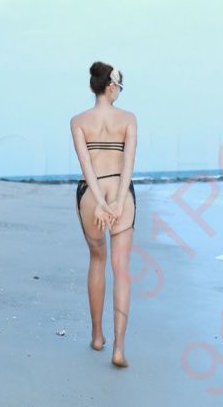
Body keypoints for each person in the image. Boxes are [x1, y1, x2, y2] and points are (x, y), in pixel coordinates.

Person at [70, 61, 137, 368]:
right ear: (111, 86)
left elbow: (86, 165)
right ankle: (119, 349)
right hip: (121, 193)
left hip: (91, 195)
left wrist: (100, 202)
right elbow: (128, 165)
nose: (119, 91)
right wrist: (119, 201)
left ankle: (97, 336)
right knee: (121, 269)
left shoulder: (78, 121)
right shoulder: (129, 119)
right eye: (120, 86)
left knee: (97, 260)